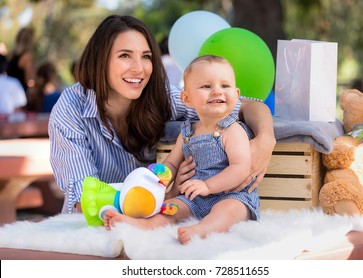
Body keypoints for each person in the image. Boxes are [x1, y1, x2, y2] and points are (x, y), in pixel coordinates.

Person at [49, 14, 275, 215]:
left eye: (146, 57)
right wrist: (164, 197)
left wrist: (266, 138)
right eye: (125, 55)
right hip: (91, 229)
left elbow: (248, 105)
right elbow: (83, 203)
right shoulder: (71, 109)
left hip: (153, 223)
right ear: (101, 59)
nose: (139, 68)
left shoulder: (159, 96)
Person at [104, 55, 260, 244]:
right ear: (186, 98)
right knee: (169, 207)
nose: (217, 92)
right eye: (206, 86)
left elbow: (240, 168)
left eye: (224, 86)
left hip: (232, 195)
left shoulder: (232, 130)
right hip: (194, 198)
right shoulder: (187, 132)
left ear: (236, 95)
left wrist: (208, 186)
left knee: (229, 210)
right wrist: (159, 176)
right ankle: (139, 225)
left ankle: (201, 230)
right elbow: (172, 162)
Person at [6, 27, 36, 93]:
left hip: (7, 92)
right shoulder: (27, 57)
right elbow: (29, 81)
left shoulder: (10, 55)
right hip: (18, 94)